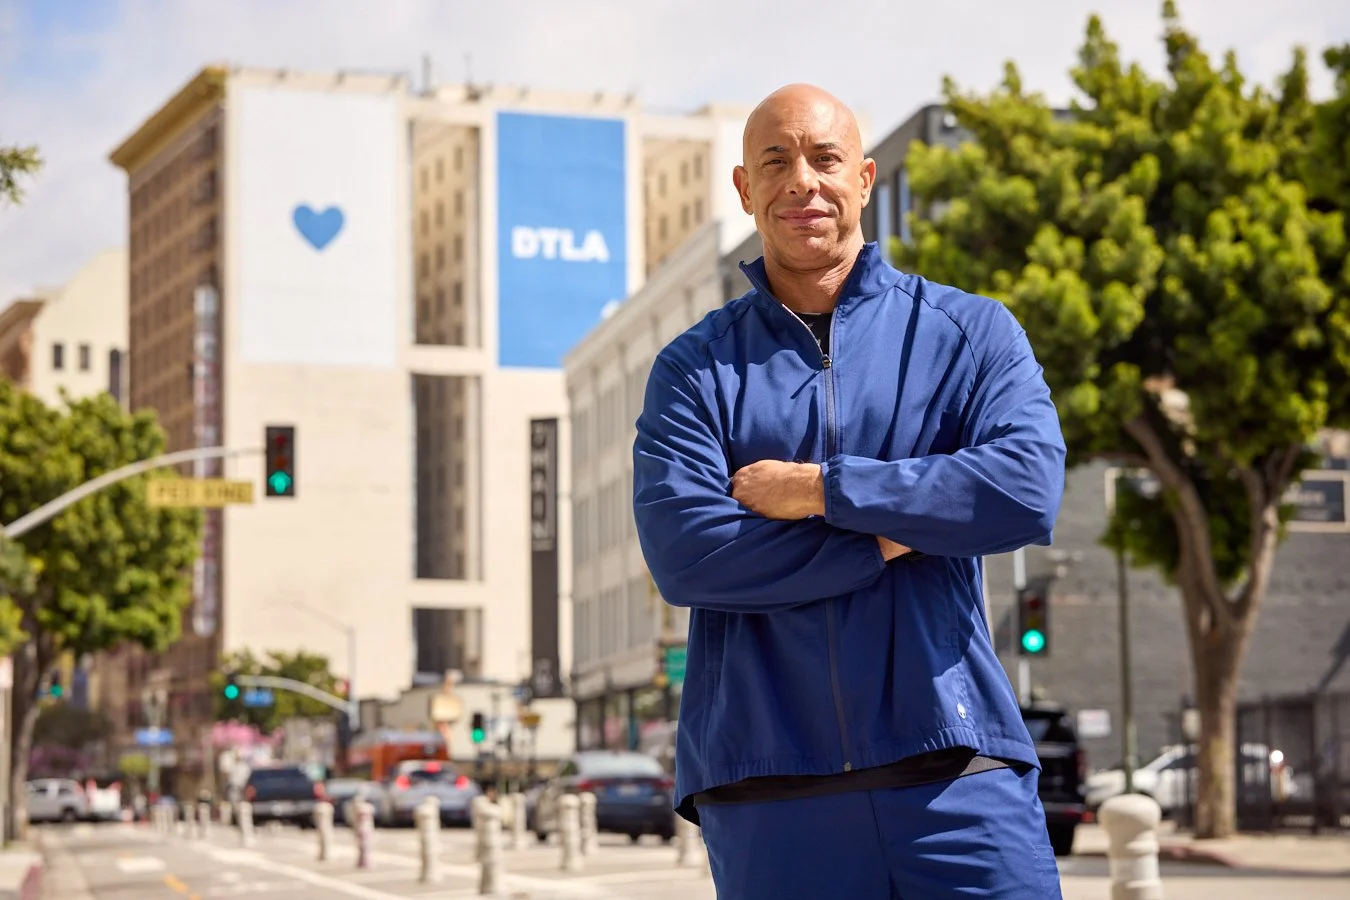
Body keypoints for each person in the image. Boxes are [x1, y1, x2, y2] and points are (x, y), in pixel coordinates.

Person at [632, 84, 1067, 899]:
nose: (803, 181)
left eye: (825, 158)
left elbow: (1025, 490)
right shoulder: (693, 372)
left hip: (956, 773)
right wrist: (893, 533)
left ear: (864, 179)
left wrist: (823, 489)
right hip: (767, 787)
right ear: (744, 190)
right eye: (776, 161)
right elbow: (692, 558)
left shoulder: (972, 333)